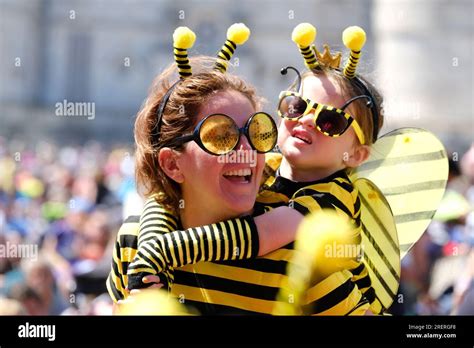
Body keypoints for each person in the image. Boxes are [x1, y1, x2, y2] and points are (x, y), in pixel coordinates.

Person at [120, 23, 392, 315]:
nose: (247, 150)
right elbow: (161, 202)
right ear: (172, 164)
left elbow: (259, 236)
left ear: (357, 155)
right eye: (296, 107)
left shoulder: (314, 240)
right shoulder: (132, 241)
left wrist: (160, 252)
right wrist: (147, 253)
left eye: (331, 122)